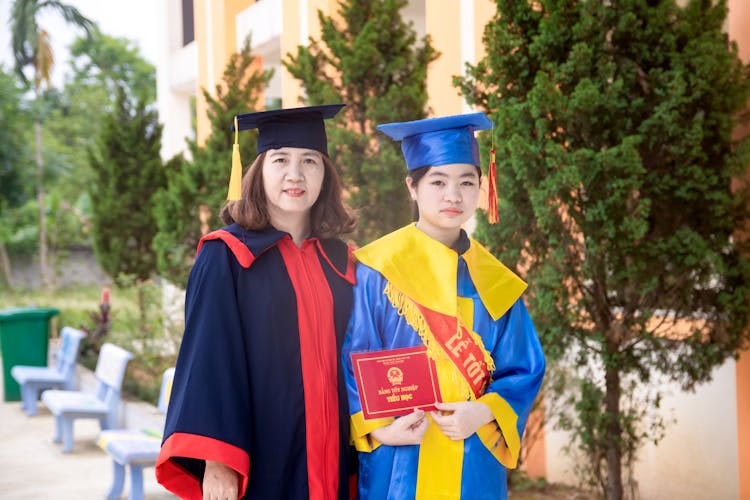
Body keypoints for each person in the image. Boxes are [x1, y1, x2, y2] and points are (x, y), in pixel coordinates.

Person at [156, 104, 358, 499]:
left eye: (310, 161)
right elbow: (208, 358)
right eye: (280, 160)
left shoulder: (343, 263)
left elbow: (362, 353)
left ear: (325, 176)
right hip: (265, 453)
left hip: (333, 453)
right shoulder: (226, 256)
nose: (295, 174)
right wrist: (217, 461)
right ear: (258, 171)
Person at [342, 113, 546, 499]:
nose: (453, 195)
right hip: (401, 457)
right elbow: (353, 360)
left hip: (474, 457)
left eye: (466, 182)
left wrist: (483, 413)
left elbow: (524, 367)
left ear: (481, 187)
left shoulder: (495, 280)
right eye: (438, 181)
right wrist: (382, 430)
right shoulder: (378, 269)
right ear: (412, 186)